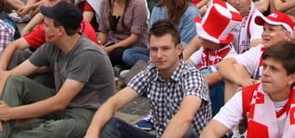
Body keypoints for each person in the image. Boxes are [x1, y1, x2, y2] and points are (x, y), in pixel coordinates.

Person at [0, 1, 116, 138]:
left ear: (60, 30)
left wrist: (9, 113)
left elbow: (59, 103)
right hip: (65, 105)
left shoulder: (86, 54)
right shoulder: (51, 46)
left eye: (46, 25)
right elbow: (9, 76)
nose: (42, 29)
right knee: (15, 82)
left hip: (90, 114)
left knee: (53, 130)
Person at [83, 20, 212, 138]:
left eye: (165, 49)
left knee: (186, 133)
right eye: (154, 49)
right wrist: (92, 132)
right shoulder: (151, 72)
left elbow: (185, 117)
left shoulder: (192, 76)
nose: (159, 55)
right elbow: (112, 103)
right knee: (109, 125)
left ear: (178, 49)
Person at [201, 41, 295, 138]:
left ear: (292, 77)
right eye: (265, 66)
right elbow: (212, 130)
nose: (265, 73)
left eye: (274, 69)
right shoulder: (248, 94)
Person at [97, 0, 148, 68]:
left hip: (133, 46)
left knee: (116, 54)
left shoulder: (138, 3)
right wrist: (98, 46)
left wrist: (109, 49)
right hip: (113, 42)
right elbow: (103, 32)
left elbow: (134, 37)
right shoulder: (105, 3)